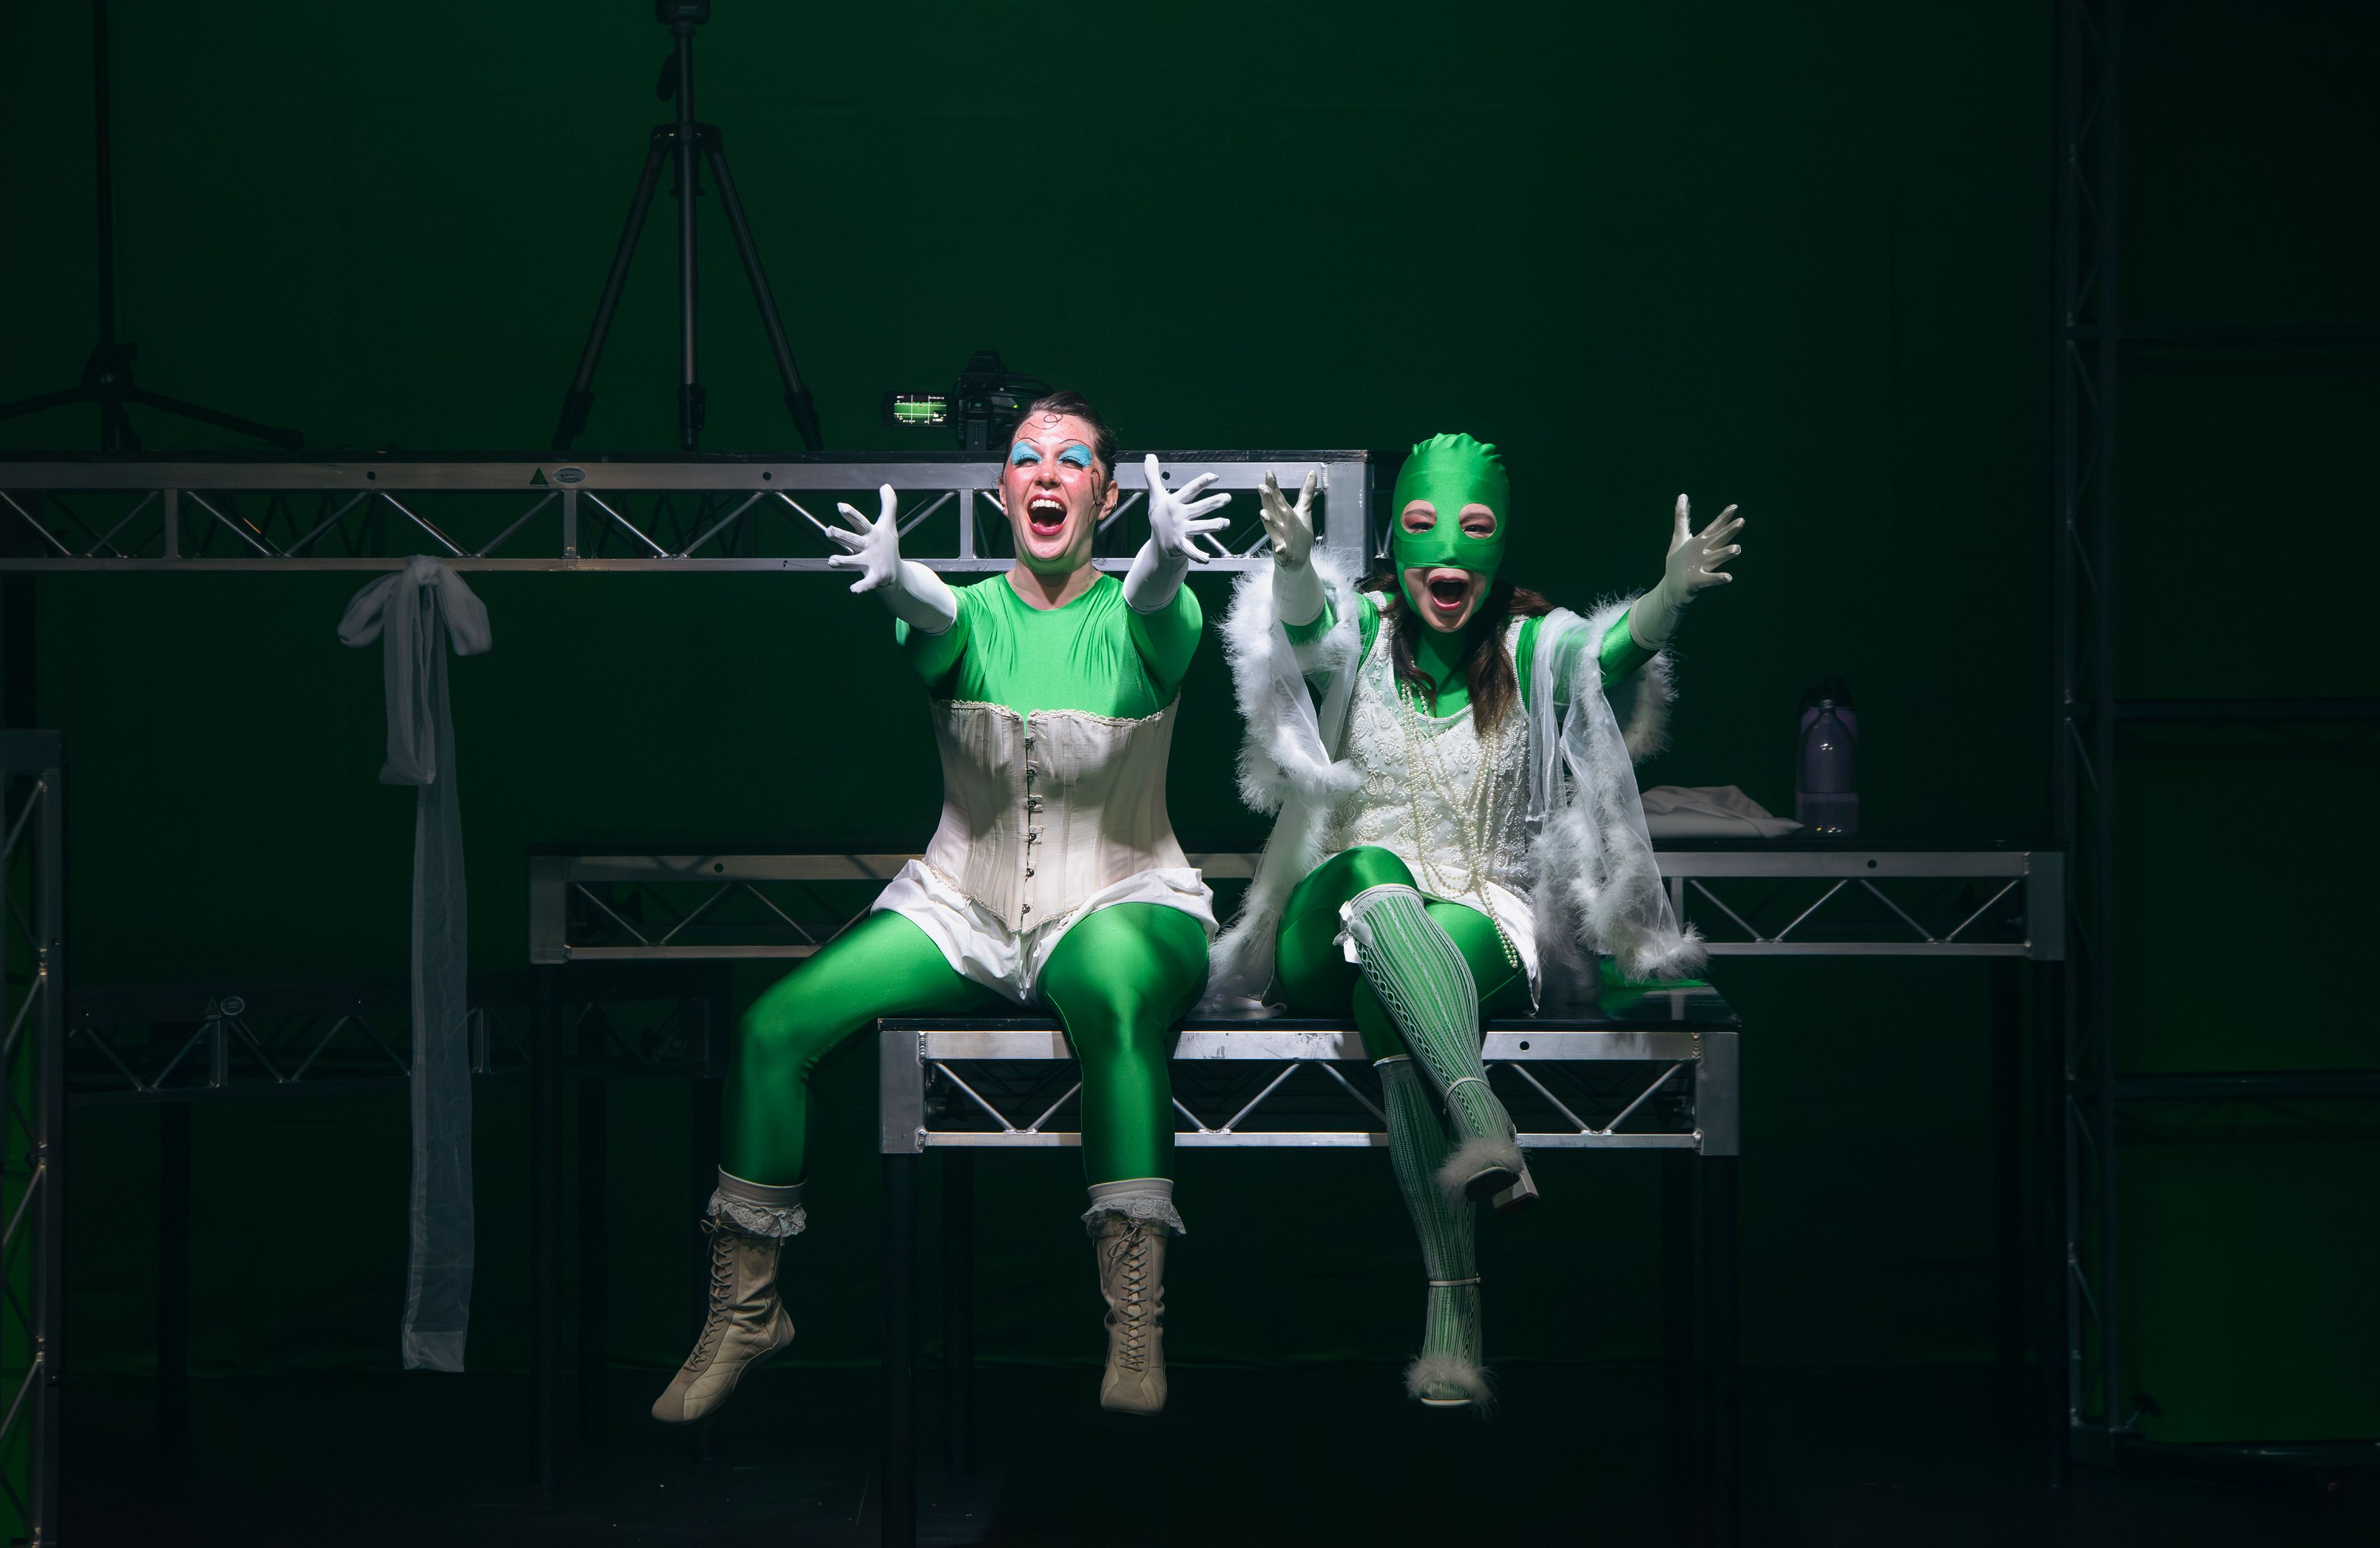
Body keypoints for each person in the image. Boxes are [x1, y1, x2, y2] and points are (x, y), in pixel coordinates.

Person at [654, 392, 1232, 1422]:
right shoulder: (965, 616)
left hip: (1124, 890)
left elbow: (1152, 599)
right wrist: (896, 578)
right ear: (1002, 486)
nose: (1044, 475)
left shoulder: (1150, 620)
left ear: (1105, 489)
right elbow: (935, 611)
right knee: (770, 1028)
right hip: (961, 899)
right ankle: (747, 1311)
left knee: (1111, 994)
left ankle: (1135, 1318)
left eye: (1070, 461)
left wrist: (1169, 555)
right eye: (1024, 459)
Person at [1206, 432, 1741, 1407]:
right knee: (1371, 870)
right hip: (1330, 916)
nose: (1446, 557)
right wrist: (1290, 565)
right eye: (1422, 529)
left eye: (1472, 531)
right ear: (1398, 547)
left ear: (1498, 548)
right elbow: (1307, 624)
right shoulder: (1362, 630)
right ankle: (1480, 1111)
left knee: (1395, 1000)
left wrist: (1667, 597)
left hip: (1479, 917)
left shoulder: (1532, 645)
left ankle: (1453, 1306)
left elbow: (1608, 653)